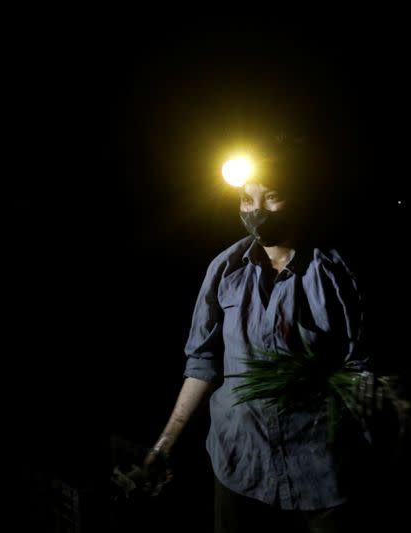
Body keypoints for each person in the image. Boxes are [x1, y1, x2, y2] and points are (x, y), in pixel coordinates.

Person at [143, 135, 372, 533]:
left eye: (273, 197)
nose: (258, 212)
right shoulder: (225, 270)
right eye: (247, 201)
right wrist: (165, 443)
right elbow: (201, 364)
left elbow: (361, 373)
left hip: (318, 463)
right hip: (239, 459)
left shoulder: (334, 273)